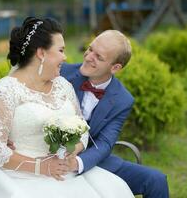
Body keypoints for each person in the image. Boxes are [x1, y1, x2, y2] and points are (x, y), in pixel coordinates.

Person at [0, 17, 134, 198]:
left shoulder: (63, 85)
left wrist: (73, 149)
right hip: (19, 177)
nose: (65, 57)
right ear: (41, 53)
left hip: (62, 172)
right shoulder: (5, 91)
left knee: (114, 189)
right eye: (61, 50)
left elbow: (83, 130)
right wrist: (42, 167)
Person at [60, 30, 170, 198]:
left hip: (96, 160)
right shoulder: (60, 73)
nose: (89, 57)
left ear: (115, 67)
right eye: (90, 49)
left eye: (99, 57)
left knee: (156, 180)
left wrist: (77, 162)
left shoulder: (123, 100)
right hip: (54, 156)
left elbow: (105, 142)